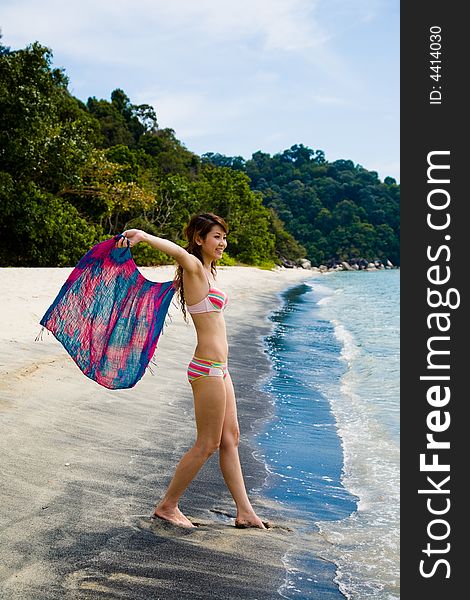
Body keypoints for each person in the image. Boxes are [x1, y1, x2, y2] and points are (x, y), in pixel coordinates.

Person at [116, 213, 266, 529]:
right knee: (207, 443)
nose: (223, 243)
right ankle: (168, 505)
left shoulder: (211, 273)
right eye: (216, 237)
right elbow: (178, 252)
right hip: (206, 369)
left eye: (224, 237)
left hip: (221, 369)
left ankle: (245, 512)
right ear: (199, 239)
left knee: (230, 438)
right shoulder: (195, 267)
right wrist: (143, 236)